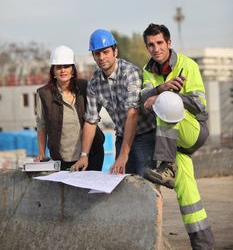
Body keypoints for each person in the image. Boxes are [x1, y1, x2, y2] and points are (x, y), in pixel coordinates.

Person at [141, 24, 214, 250]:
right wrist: (160, 89)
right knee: (188, 194)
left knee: (166, 101)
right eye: (151, 45)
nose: (156, 48)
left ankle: (166, 166)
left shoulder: (188, 65)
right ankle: (204, 244)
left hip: (193, 130)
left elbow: (201, 106)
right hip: (173, 143)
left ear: (169, 42)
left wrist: (171, 96)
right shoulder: (147, 70)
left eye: (160, 43)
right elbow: (144, 98)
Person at [71, 29, 156, 176]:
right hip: (122, 136)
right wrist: (84, 155)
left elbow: (133, 113)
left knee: (148, 186)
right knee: (122, 186)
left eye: (105, 52)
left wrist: (123, 156)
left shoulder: (129, 73)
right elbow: (91, 121)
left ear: (115, 51)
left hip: (145, 136)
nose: (102, 57)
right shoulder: (94, 82)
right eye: (97, 54)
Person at [35, 45, 105, 171]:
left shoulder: (85, 87)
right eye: (58, 67)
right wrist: (41, 153)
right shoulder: (44, 94)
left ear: (73, 70)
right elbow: (42, 125)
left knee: (89, 189)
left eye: (66, 66)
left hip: (92, 153)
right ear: (53, 72)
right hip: (62, 158)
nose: (63, 71)